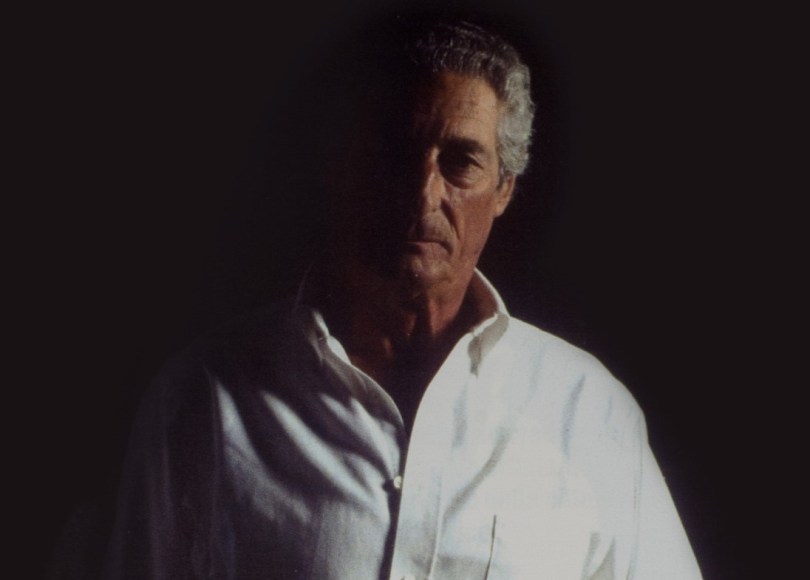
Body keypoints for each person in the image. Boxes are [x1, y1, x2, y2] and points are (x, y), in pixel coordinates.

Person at [103, 17, 703, 580]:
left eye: (460, 161)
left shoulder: (590, 413)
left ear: (504, 189)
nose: (422, 193)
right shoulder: (202, 401)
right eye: (395, 153)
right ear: (349, 166)